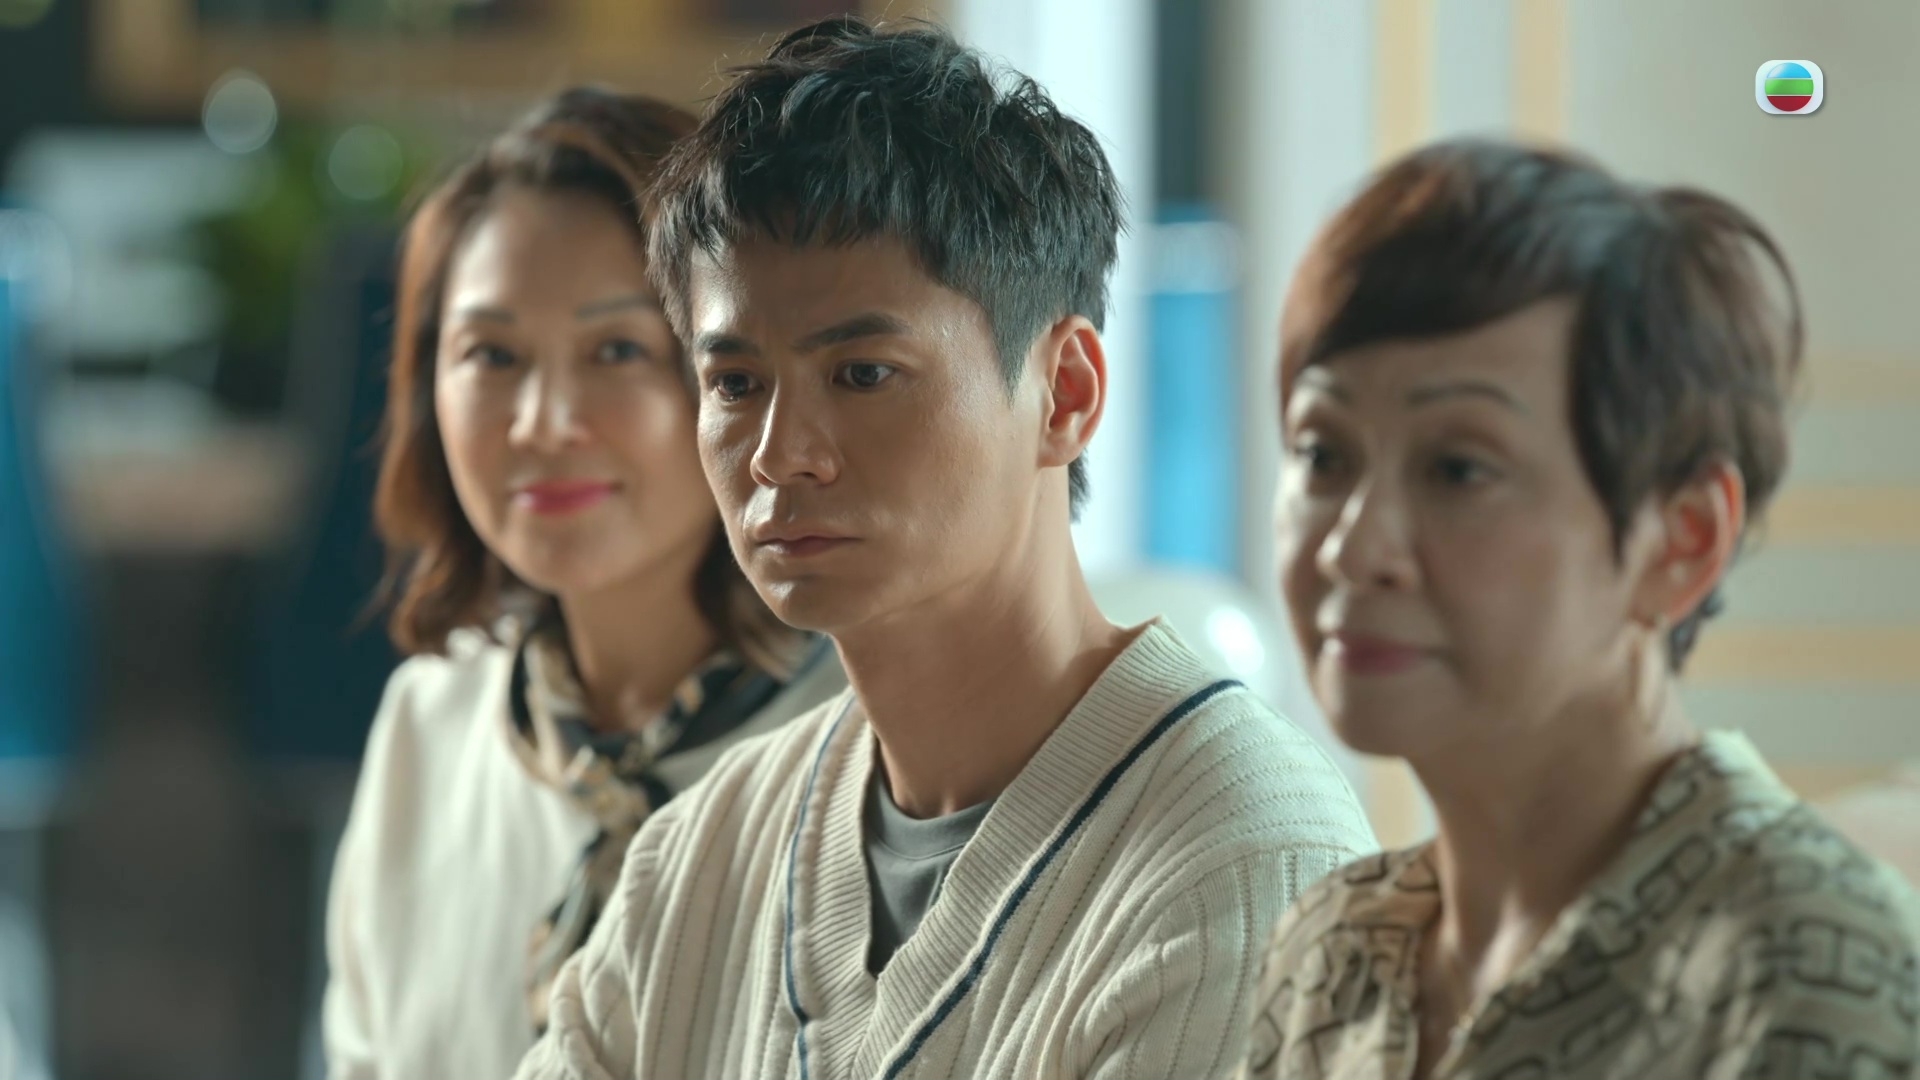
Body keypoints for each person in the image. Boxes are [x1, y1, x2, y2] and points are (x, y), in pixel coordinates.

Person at [513, 17, 1374, 1080]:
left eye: (862, 374)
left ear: (1066, 393)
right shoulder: (700, 857)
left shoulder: (1250, 861)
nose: (779, 454)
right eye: (735, 383)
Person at [1240, 139, 1920, 1080]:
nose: (1352, 549)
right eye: (1323, 455)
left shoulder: (1811, 969)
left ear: (1681, 542)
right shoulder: (1332, 951)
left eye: (1458, 469)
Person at [321, 87, 845, 1080]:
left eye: (617, 350)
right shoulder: (432, 727)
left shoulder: (874, 750)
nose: (543, 421)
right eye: (492, 355)